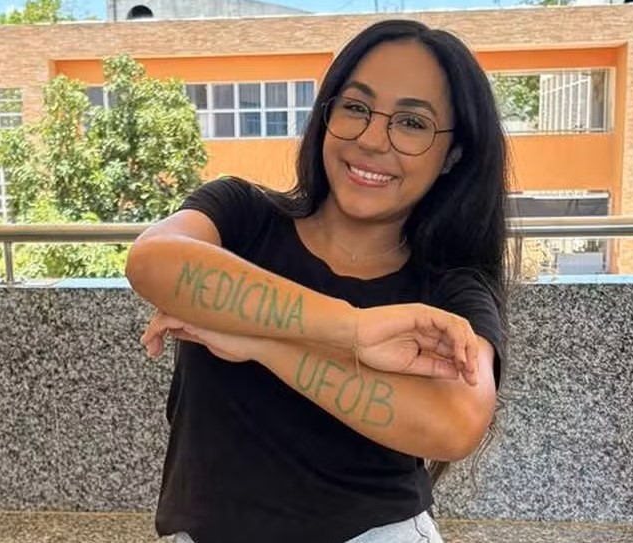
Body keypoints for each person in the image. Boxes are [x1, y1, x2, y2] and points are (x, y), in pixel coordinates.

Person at [125, 18, 513, 543]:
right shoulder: (242, 217)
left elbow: (456, 422)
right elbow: (152, 262)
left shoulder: (447, 285)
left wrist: (261, 342)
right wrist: (353, 331)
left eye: (412, 123)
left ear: (453, 156)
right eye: (356, 107)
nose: (371, 140)